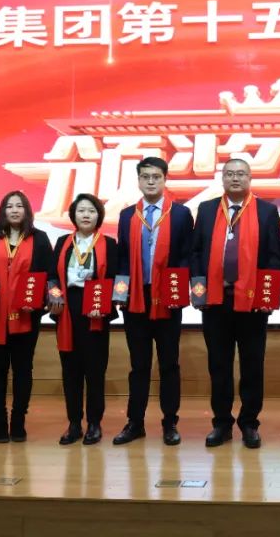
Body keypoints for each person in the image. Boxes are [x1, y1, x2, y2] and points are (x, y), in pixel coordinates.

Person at [191, 158, 280, 449]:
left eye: (241, 174)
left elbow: (273, 257)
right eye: (229, 173)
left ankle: (250, 423)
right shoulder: (207, 209)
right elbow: (196, 253)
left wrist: (268, 296)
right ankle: (221, 423)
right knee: (219, 365)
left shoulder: (266, 211)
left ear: (250, 178)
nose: (235, 178)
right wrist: (199, 290)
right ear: (222, 179)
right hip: (216, 303)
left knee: (252, 365)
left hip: (253, 303)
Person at [113, 157, 194, 446]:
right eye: (145, 176)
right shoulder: (127, 215)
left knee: (169, 363)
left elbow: (186, 255)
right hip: (136, 298)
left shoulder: (181, 214)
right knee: (139, 364)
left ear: (164, 179)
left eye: (156, 177)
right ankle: (135, 422)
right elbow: (123, 257)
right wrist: (120, 292)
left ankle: (170, 422)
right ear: (138, 180)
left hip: (167, 297)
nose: (150, 181)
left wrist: (178, 290)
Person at [0, 190, 53, 443]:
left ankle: (18, 421)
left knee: (23, 369)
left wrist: (40, 300)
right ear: (3, 211)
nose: (15, 210)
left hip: (27, 316)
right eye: (10, 206)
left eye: (19, 206)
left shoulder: (40, 238)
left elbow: (49, 275)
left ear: (27, 211)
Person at [50, 193, 118, 446]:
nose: (86, 215)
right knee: (71, 369)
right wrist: (54, 296)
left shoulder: (109, 243)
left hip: (96, 308)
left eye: (91, 211)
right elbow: (52, 277)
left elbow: (116, 278)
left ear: (98, 215)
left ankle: (94, 423)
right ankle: (74, 423)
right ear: (73, 215)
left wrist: (105, 303)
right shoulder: (62, 242)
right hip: (68, 307)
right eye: (81, 211)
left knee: (95, 369)